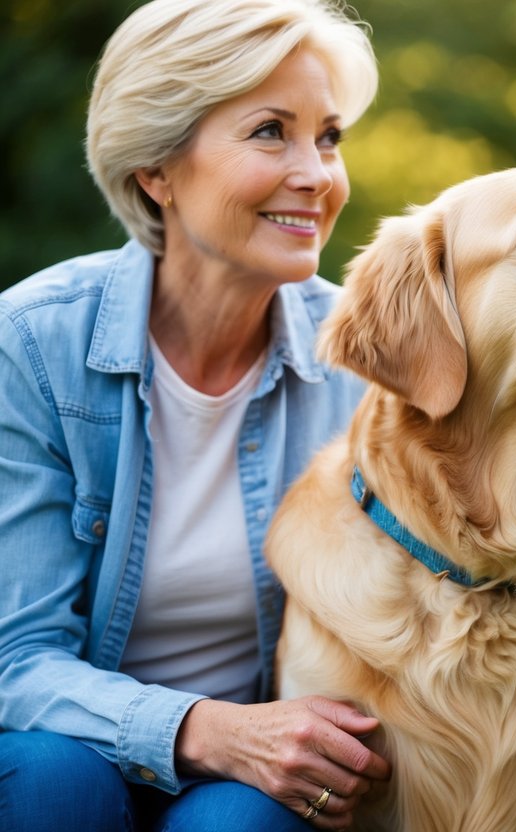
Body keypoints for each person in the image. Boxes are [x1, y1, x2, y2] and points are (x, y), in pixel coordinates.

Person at [0, 0, 389, 829]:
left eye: (328, 137)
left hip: (254, 779)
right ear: (157, 171)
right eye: (269, 132)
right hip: (62, 747)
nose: (318, 174)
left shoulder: (362, 355)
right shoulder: (31, 343)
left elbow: (479, 555)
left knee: (243, 824)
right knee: (54, 781)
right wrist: (204, 731)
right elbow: (15, 663)